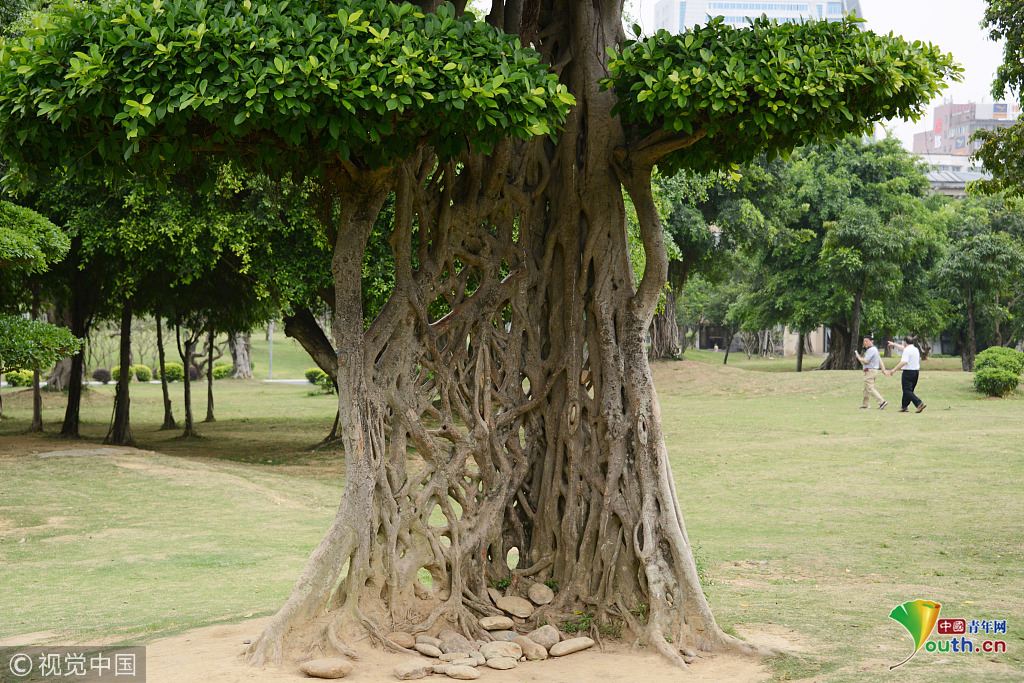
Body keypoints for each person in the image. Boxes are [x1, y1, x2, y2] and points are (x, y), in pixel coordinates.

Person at [886, 336, 926, 413]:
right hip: (916, 372)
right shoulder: (915, 349)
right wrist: (894, 344)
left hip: (908, 373)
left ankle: (919, 403)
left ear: (905, 342)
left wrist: (894, 369)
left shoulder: (907, 350)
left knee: (907, 390)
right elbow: (903, 349)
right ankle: (904, 406)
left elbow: (904, 362)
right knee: (909, 391)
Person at [854, 336, 887, 410]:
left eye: (866, 341)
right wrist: (883, 369)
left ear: (871, 341)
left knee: (869, 388)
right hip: (872, 371)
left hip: (870, 371)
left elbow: (866, 361)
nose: (865, 343)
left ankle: (882, 402)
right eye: (864, 341)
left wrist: (859, 358)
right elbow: (879, 360)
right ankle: (865, 405)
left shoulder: (871, 350)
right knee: (866, 388)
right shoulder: (874, 349)